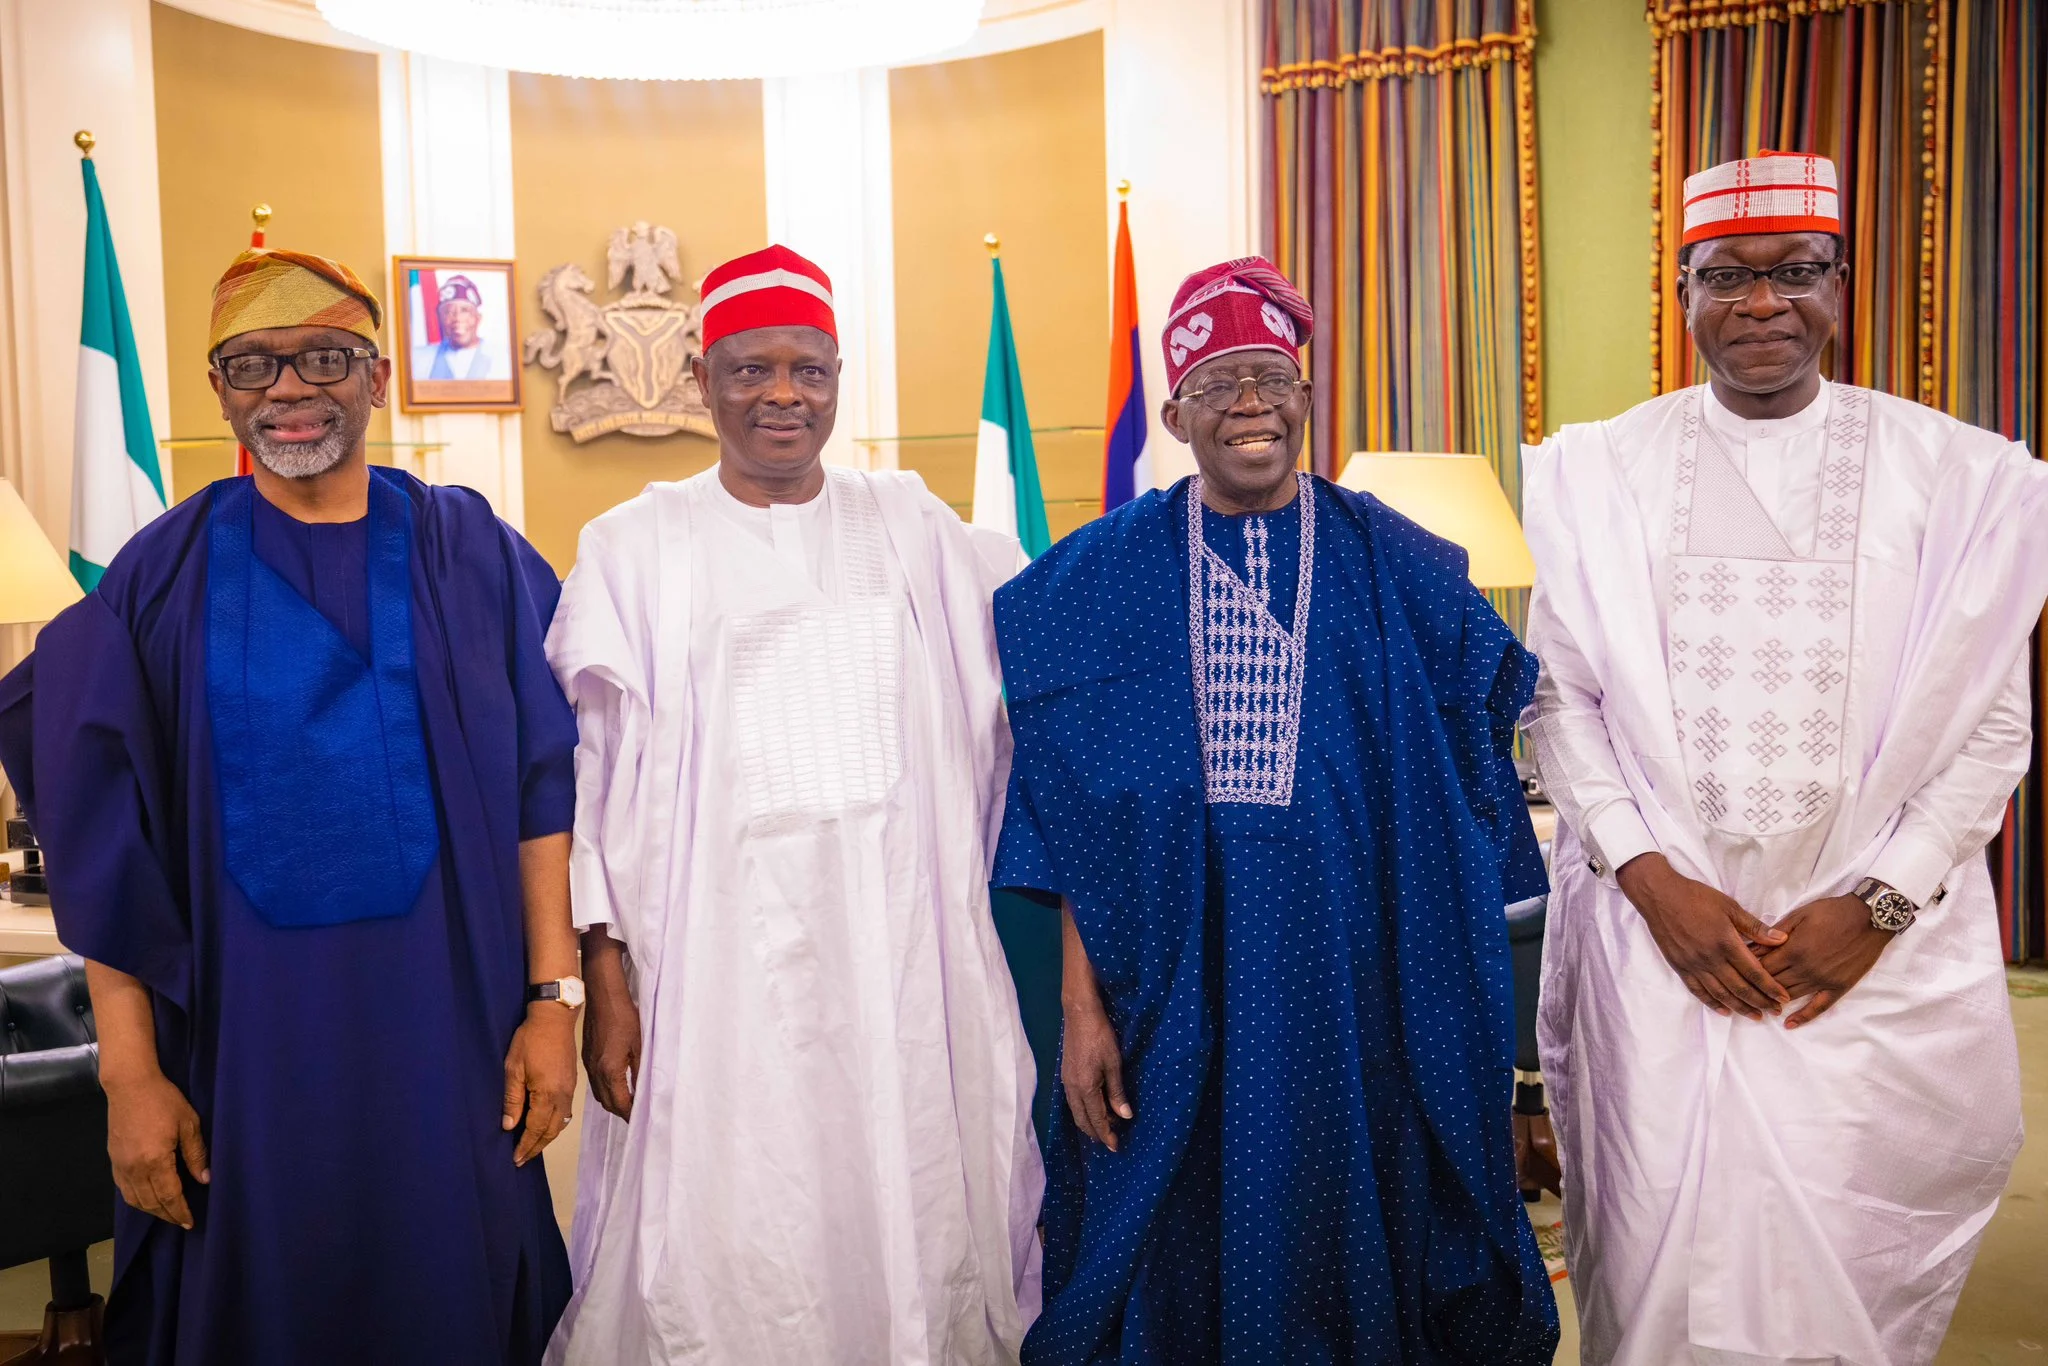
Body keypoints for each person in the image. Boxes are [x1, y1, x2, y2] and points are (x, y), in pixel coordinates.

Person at [0, 246, 583, 1364]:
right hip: (237, 1061)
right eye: (253, 365)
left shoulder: (474, 555)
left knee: (455, 1288)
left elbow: (541, 789)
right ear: (218, 389)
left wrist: (552, 1003)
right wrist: (129, 1076)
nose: (290, 387)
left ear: (375, 377)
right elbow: (98, 831)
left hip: (451, 1037)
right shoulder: (156, 578)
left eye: (325, 357)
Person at [1523, 151, 2048, 1365]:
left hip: (1863, 960)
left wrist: (1872, 904)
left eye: (1793, 271)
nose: (1761, 303)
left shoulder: (1959, 476)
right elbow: (1560, 699)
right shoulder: (1602, 471)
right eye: (1727, 277)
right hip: (1656, 952)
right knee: (1657, 1255)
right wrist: (1653, 885)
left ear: (1840, 284)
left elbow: (1991, 727)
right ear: (1685, 294)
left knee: (1845, 1265)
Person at [993, 256, 1558, 1364]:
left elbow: (1485, 745)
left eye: (1270, 377)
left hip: (1362, 974)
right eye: (1216, 384)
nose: (1248, 402)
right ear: (1172, 413)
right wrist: (1080, 1007)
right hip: (1168, 974)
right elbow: (1061, 812)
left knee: (1362, 1191)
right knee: (1176, 1208)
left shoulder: (1396, 559)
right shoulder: (1092, 580)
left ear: (1304, 396)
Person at [543, 244, 1042, 1365]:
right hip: (713, 970)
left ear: (837, 377)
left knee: (904, 1176)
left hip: (900, 956)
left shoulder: (914, 527)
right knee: (733, 1203)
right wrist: (606, 976)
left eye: (808, 370)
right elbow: (595, 775)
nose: (783, 396)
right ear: (702, 382)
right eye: (752, 370)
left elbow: (1044, 645)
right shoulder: (637, 546)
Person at [413, 273, 494, 380]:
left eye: (464, 310)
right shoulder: (419, 359)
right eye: (448, 312)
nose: (457, 318)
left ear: (478, 318)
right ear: (440, 318)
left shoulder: (502, 358)